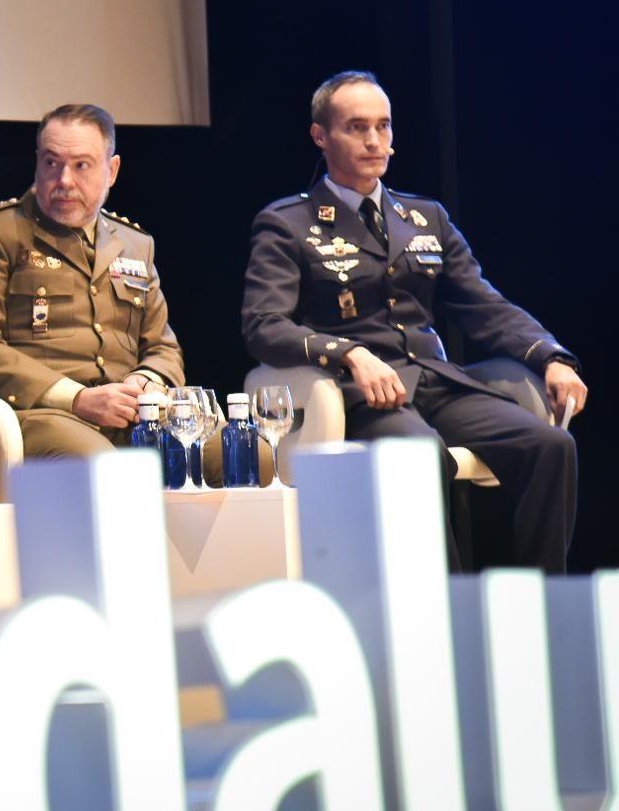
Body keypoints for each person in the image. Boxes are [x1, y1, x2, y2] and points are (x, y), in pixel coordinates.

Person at [241, 69, 585, 572]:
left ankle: (540, 604)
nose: (375, 141)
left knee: (551, 446)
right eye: (357, 127)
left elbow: (482, 304)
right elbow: (263, 325)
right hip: (359, 396)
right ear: (321, 136)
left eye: (384, 126)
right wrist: (349, 353)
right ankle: (445, 613)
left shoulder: (425, 217)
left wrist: (550, 356)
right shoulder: (288, 223)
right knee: (422, 455)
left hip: (435, 383)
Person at [0, 103, 186, 458]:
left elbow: (163, 346)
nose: (64, 180)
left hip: (130, 417)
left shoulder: (135, 244)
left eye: (81, 165)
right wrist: (78, 398)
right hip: (38, 416)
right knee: (101, 463)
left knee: (237, 450)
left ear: (112, 170)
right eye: (51, 163)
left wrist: (145, 381)